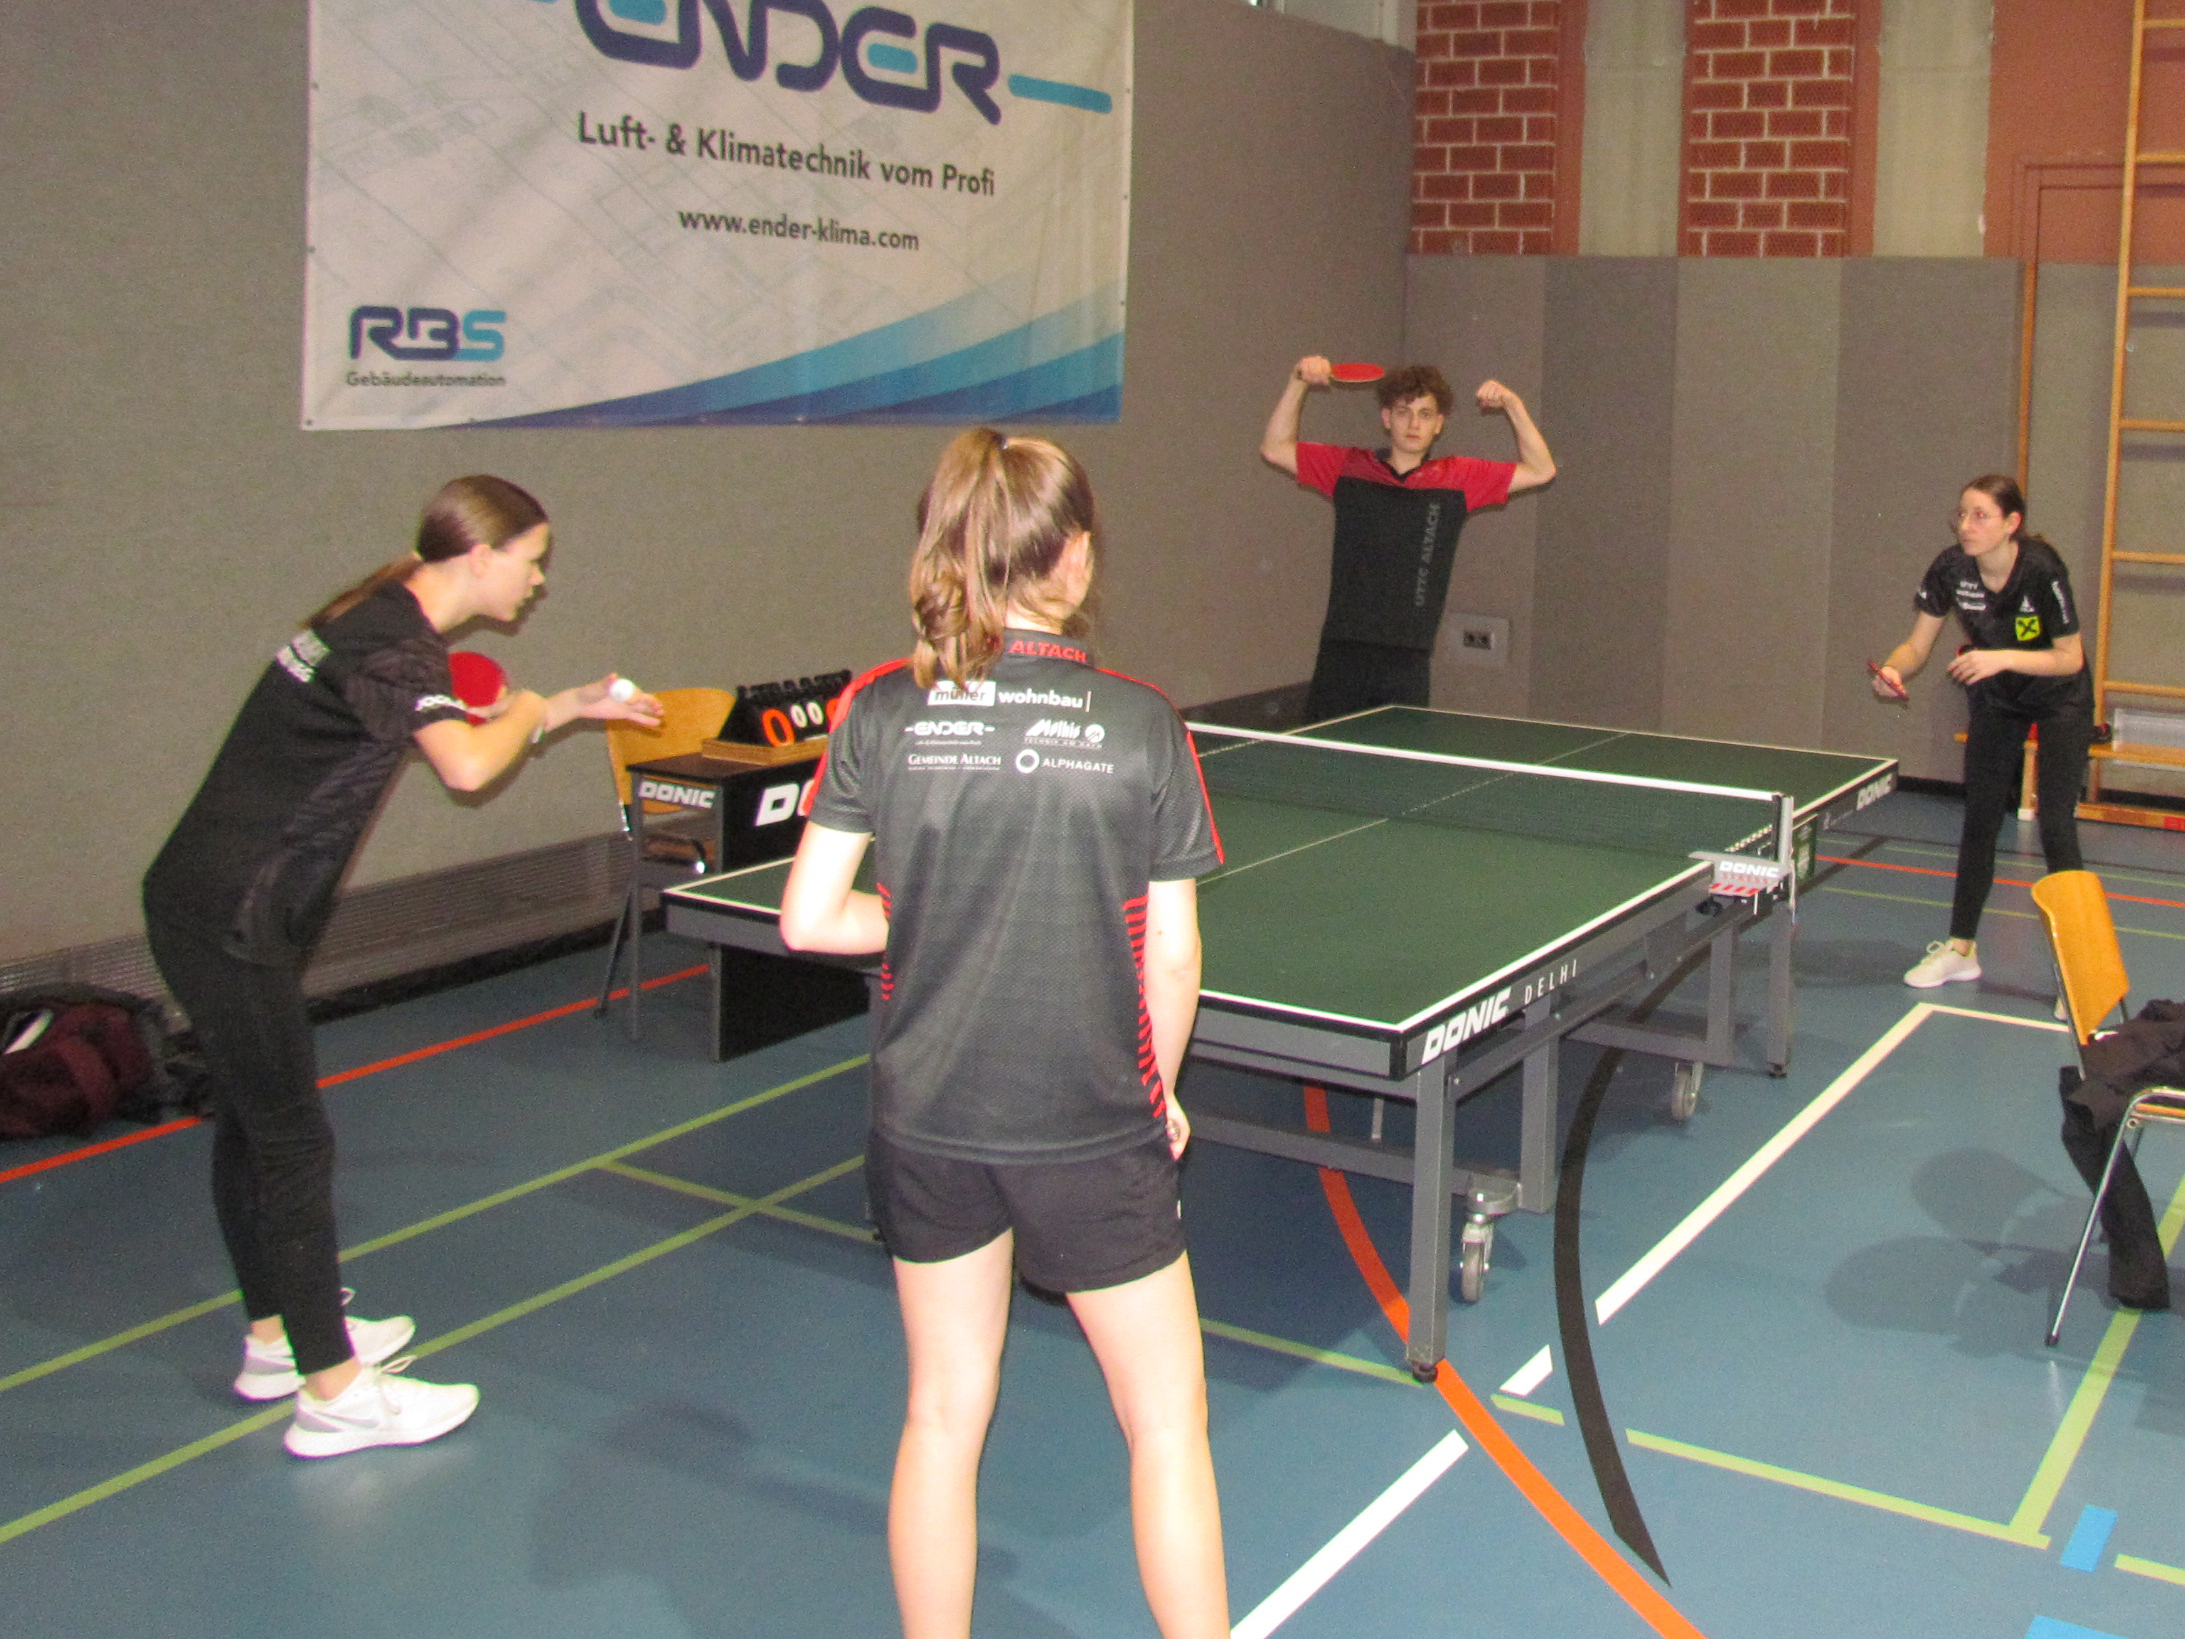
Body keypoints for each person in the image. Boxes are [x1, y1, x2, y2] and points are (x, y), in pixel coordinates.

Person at [778, 429, 1229, 1639]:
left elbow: (810, 919)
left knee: (940, 1413)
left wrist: (926, 910)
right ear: (1073, 557)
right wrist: (1159, 1090)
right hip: (1090, 1122)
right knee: (1166, 1422)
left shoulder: (880, 706)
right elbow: (1172, 954)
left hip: (926, 1120)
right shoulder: (1142, 721)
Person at [141, 475, 662, 1458]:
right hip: (233, 918)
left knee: (254, 1126)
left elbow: (428, 734)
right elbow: (466, 765)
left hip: (207, 901)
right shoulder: (396, 644)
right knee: (293, 1144)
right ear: (480, 556)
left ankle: (277, 1340)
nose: (538, 581)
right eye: (532, 560)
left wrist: (565, 707)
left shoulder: (374, 614)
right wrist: (536, 705)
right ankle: (335, 1393)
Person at [1871, 474, 2094, 990]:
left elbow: (2070, 658)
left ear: (2011, 523)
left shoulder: (2041, 568)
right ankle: (1961, 950)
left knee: (2055, 825)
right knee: (1980, 820)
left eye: (1980, 516)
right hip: (1998, 698)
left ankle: (2079, 975)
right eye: (1962, 514)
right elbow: (1917, 645)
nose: (1966, 526)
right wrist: (1894, 670)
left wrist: (1999, 657)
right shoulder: (1951, 569)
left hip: (2060, 697)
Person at [1260, 356, 1556, 719]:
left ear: (1439, 424)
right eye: (1404, 412)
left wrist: (1513, 405)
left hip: (1408, 660)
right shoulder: (1349, 468)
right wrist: (1298, 381)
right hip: (1341, 652)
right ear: (1387, 418)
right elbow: (1274, 448)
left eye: (1425, 414)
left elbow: (1541, 470)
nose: (1414, 424)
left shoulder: (1458, 478)